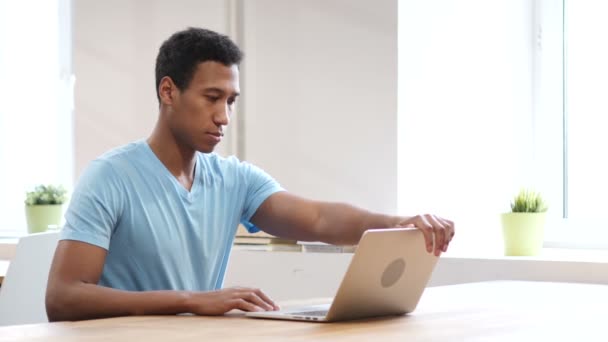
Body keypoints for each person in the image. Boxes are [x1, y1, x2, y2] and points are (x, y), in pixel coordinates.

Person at [45, 27, 455, 322]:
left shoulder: (233, 178)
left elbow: (318, 219)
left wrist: (399, 223)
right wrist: (192, 300)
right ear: (168, 92)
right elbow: (63, 297)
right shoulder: (109, 177)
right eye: (211, 98)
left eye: (231, 100)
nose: (224, 117)